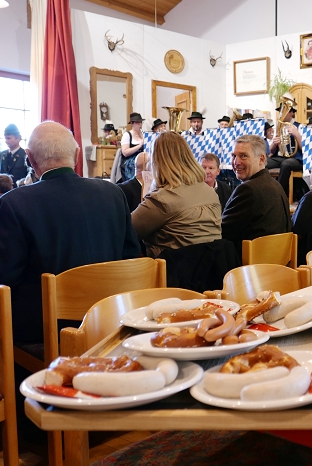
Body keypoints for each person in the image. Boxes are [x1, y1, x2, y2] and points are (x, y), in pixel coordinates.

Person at [0, 121, 140, 343]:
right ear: (76, 154)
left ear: (30, 158)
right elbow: (132, 259)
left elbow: (6, 277)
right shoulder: (113, 194)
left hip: (45, 332)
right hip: (109, 320)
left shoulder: (13, 203)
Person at [131, 132, 221, 258]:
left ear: (157, 161)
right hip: (213, 268)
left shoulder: (161, 199)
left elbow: (125, 232)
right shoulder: (211, 192)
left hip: (172, 269)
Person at [222, 134, 292, 257]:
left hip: (251, 265)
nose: (236, 162)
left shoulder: (248, 189)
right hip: (277, 262)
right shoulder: (276, 185)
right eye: (234, 156)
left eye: (243, 156)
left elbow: (223, 232)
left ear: (261, 159)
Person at [265, 102, 304, 197]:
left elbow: (305, 149)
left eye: (284, 111)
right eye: (280, 112)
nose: (281, 114)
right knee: (262, 162)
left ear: (291, 113)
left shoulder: (300, 126)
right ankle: (265, 192)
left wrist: (297, 135)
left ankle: (278, 194)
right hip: (280, 157)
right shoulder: (279, 127)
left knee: (286, 164)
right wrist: (274, 144)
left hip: (296, 158)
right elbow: (270, 151)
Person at [120, 112, 145, 182]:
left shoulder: (144, 134)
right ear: (132, 123)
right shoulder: (127, 135)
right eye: (137, 122)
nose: (140, 124)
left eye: (141, 122)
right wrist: (139, 146)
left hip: (143, 161)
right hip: (131, 163)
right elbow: (125, 152)